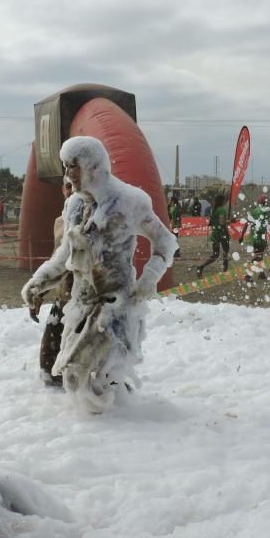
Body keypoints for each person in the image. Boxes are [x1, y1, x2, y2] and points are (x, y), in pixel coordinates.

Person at [21, 136, 178, 413]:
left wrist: (147, 281)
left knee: (93, 376)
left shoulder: (130, 202)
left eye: (74, 166)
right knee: (74, 376)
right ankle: (107, 426)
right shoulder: (74, 206)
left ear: (93, 166)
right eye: (66, 167)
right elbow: (65, 255)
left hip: (114, 307)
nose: (68, 175)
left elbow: (165, 242)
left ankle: (120, 428)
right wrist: (38, 283)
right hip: (80, 305)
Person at [30, 179, 75, 386]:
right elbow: (55, 259)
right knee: (48, 367)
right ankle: (56, 410)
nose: (71, 190)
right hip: (62, 297)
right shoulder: (59, 222)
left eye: (75, 185)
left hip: (89, 301)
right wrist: (39, 291)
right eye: (67, 186)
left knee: (93, 360)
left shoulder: (98, 219)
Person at [197, 192, 230, 277]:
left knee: (215, 255)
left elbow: (211, 223)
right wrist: (230, 221)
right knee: (225, 252)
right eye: (225, 200)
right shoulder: (222, 209)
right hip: (223, 234)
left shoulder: (214, 209)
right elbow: (222, 222)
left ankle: (201, 267)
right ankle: (225, 271)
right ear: (222, 201)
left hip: (215, 234)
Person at [239, 195, 270, 282]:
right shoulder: (265, 211)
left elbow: (246, 224)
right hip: (259, 238)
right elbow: (269, 223)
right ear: (265, 202)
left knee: (260, 256)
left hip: (255, 238)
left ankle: (261, 274)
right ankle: (248, 275)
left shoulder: (254, 211)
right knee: (258, 257)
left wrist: (242, 235)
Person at [168, 192, 183, 258]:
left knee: (174, 238)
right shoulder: (171, 207)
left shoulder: (175, 208)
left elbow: (175, 218)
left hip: (175, 225)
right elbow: (170, 217)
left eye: (170, 200)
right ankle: (176, 252)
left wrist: (172, 226)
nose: (168, 201)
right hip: (172, 224)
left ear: (173, 201)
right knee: (173, 239)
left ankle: (177, 253)